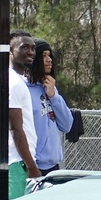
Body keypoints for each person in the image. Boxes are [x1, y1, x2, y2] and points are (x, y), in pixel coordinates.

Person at [27, 39, 74, 174]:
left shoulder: (50, 88)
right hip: (33, 167)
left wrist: (53, 96)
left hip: (53, 166)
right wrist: (31, 165)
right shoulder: (24, 90)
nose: (49, 60)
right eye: (43, 56)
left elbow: (67, 125)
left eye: (50, 55)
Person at [8, 30, 41, 198]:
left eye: (33, 48)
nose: (31, 52)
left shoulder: (19, 80)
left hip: (21, 162)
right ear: (10, 50)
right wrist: (31, 166)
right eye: (24, 47)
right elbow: (15, 129)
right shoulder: (13, 83)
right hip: (17, 162)